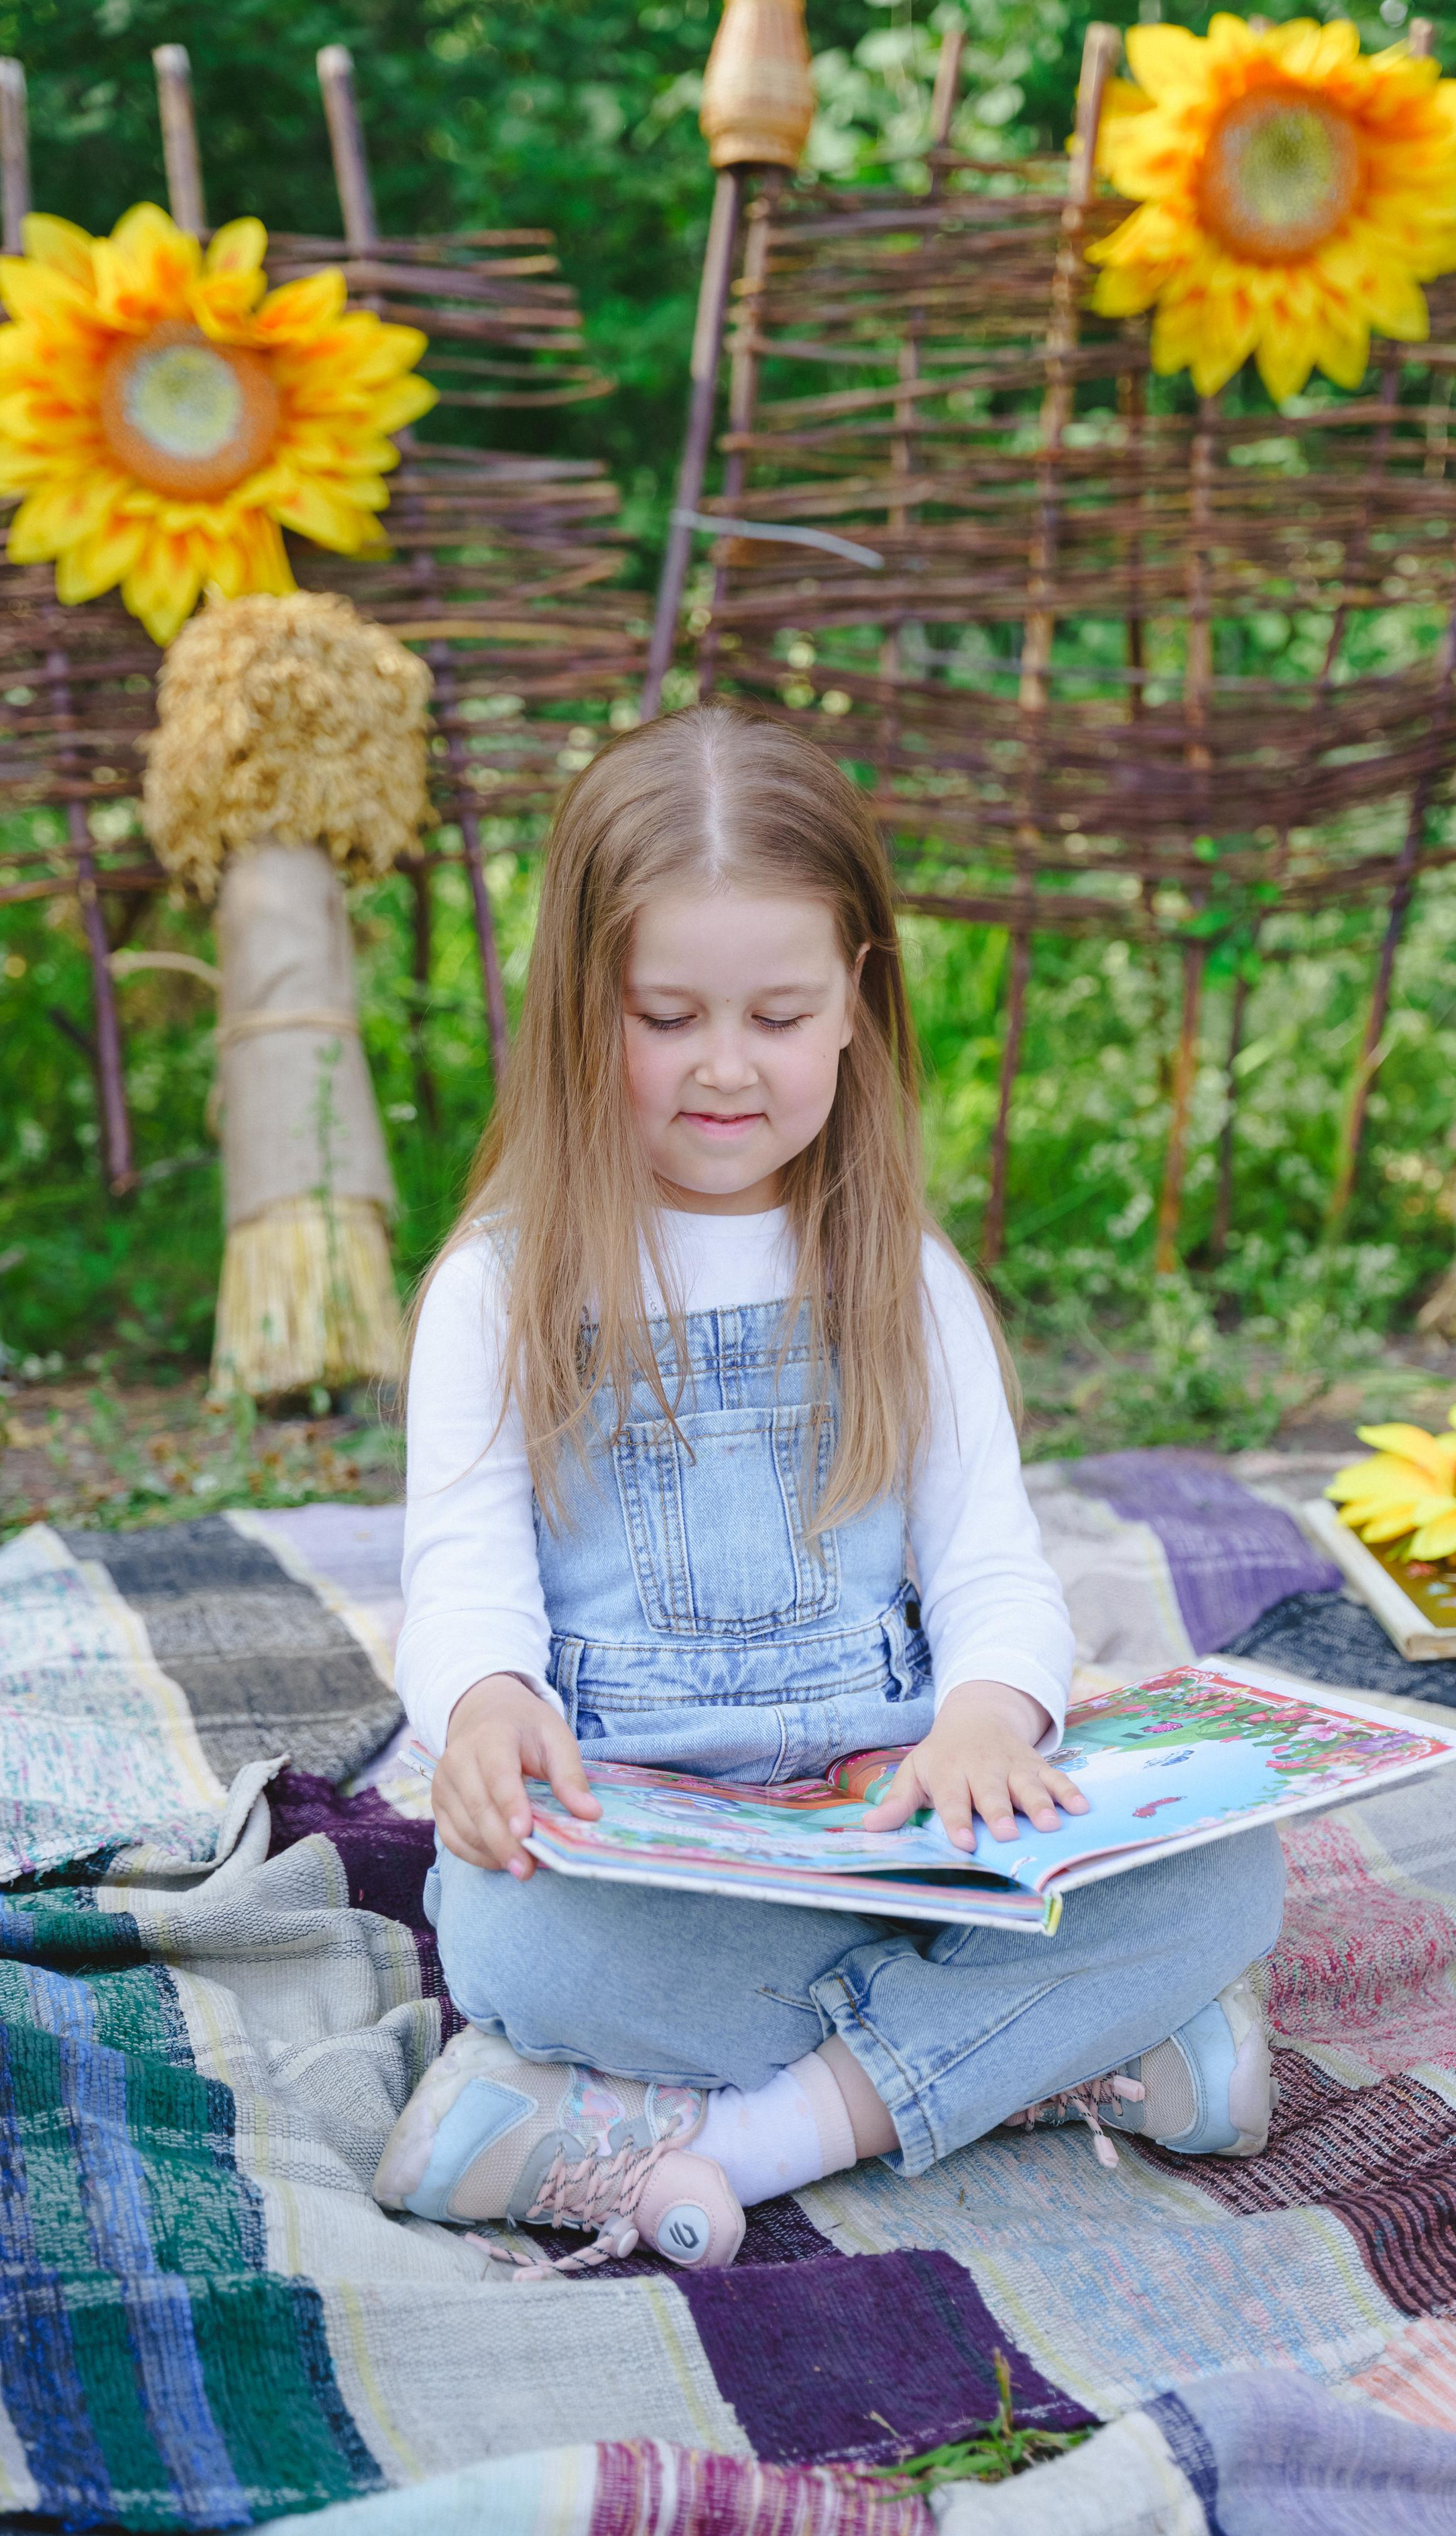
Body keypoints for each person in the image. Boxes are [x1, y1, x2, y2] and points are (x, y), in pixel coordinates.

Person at [372, 704, 1284, 2272]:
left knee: (1233, 1870)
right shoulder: (499, 1290)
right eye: (665, 1016)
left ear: (856, 1005)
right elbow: (460, 1575)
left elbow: (995, 1569)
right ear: (579, 1011)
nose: (724, 1067)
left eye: (778, 1015)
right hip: (652, 1859)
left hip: (898, 1829)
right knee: (509, 1933)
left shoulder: (897, 1275)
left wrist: (991, 1714)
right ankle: (1070, 2055)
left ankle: (725, 2136)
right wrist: (482, 1705)